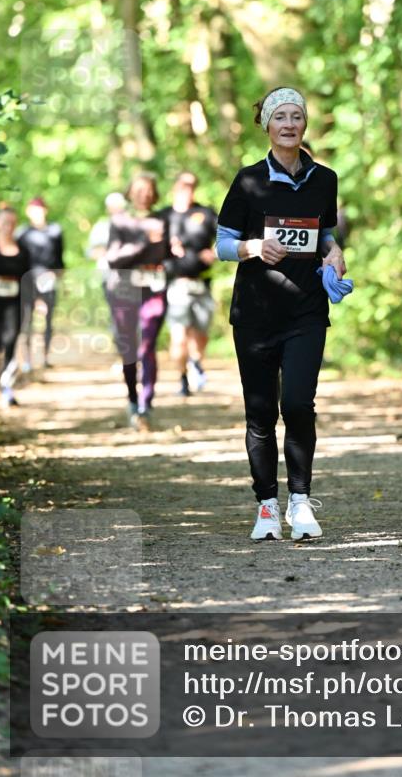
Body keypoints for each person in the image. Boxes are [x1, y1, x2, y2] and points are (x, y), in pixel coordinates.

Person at [216, 86, 346, 541]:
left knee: (297, 404)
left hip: (306, 310)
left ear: (304, 124)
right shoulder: (248, 180)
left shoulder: (324, 179)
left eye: (296, 116)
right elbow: (221, 245)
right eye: (280, 117)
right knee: (260, 413)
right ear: (267, 126)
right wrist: (252, 247)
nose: (289, 124)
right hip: (254, 313)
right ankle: (266, 506)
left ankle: (301, 502)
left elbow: (325, 234)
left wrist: (335, 254)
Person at [106, 173, 170, 430]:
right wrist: (145, 242)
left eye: (149, 189)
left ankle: (146, 403)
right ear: (130, 192)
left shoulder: (162, 219)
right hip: (124, 289)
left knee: (148, 345)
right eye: (139, 189)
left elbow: (172, 254)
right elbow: (114, 259)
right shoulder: (120, 221)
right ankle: (132, 398)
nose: (144, 194)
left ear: (154, 193)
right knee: (129, 348)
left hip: (154, 289)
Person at [159, 172, 218, 396]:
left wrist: (213, 253)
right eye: (183, 185)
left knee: (200, 334)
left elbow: (225, 236)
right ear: (175, 187)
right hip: (176, 285)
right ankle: (182, 378)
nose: (188, 189)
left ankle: (195, 362)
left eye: (192, 185)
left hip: (202, 283)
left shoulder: (205, 213)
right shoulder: (164, 216)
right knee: (179, 335)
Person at [17, 197, 65, 370]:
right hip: (27, 281)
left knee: (48, 319)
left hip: (48, 279)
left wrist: (57, 277)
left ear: (46, 210)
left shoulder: (55, 231)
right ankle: (27, 359)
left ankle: (45, 356)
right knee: (26, 321)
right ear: (28, 212)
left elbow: (60, 259)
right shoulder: (22, 233)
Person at [0, 206, 32, 407]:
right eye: (5, 222)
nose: (9, 227)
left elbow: (29, 279)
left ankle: (6, 387)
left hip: (15, 303)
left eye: (13, 223)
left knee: (9, 343)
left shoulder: (23, 251)